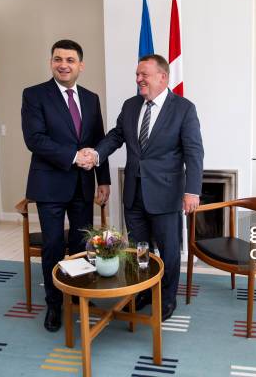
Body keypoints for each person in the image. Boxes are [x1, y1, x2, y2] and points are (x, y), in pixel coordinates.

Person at [80, 54, 204, 321]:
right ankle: (143, 291)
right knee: (139, 249)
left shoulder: (184, 108)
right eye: (137, 74)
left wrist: (192, 191)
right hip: (133, 194)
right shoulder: (131, 105)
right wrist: (96, 154)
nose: (138, 80)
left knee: (169, 251)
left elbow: (194, 153)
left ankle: (167, 298)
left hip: (166, 194)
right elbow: (115, 136)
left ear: (162, 77)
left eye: (143, 75)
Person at [21, 39, 111, 332]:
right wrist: (74, 156)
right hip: (50, 185)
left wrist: (104, 179)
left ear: (80, 65)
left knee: (82, 246)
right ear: (51, 62)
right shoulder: (34, 95)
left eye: (70, 60)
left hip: (83, 185)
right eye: (58, 59)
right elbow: (34, 139)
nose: (64, 64)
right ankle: (54, 304)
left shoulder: (90, 97)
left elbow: (99, 141)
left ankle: (79, 295)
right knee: (53, 246)